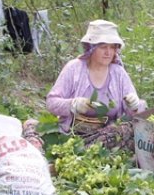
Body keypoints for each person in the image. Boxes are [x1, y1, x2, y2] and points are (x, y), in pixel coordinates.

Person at [46, 20, 148, 151]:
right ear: (91, 47)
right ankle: (80, 150)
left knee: (130, 131)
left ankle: (93, 150)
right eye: (103, 47)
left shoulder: (118, 73)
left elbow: (134, 114)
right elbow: (51, 102)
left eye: (112, 47)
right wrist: (72, 105)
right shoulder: (74, 69)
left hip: (107, 136)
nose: (108, 52)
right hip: (72, 135)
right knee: (32, 126)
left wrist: (134, 105)